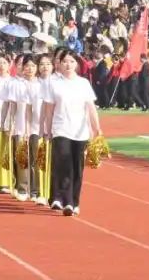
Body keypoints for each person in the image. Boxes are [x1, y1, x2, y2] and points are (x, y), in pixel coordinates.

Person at [41, 50, 103, 216]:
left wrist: (97, 129)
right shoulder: (53, 83)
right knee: (64, 162)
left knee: (77, 167)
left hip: (80, 131)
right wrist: (47, 130)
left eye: (71, 62)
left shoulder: (83, 83)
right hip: (61, 129)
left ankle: (74, 201)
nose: (68, 65)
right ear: (59, 64)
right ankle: (65, 200)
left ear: (77, 64)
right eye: (65, 62)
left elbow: (91, 108)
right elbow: (48, 109)